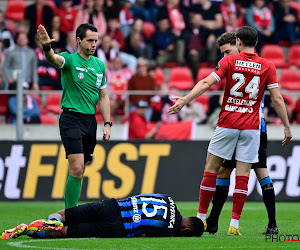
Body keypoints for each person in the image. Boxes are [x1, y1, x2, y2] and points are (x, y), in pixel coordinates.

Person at [168, 26, 292, 236]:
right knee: (243, 175)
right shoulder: (268, 65)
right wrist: (287, 126)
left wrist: (185, 100)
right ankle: (234, 224)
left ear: (239, 42)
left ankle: (201, 218)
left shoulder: (229, 61)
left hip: (227, 123)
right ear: (257, 42)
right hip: (252, 127)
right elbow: (278, 99)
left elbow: (207, 82)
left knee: (211, 169)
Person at [205, 32, 279, 236]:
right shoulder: (261, 65)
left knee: (256, 171)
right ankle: (217, 220)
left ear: (238, 45)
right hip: (252, 126)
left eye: (227, 51)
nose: (224, 56)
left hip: (251, 126)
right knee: (231, 172)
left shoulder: (238, 64)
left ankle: (268, 222)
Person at [36, 23, 112, 209]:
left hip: (90, 121)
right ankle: (70, 215)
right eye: (90, 40)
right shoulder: (69, 60)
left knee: (80, 170)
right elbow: (53, 59)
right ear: (79, 40)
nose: (94, 44)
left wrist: (108, 123)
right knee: (76, 168)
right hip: (71, 118)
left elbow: (103, 96)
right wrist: (47, 46)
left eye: (96, 40)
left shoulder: (99, 65)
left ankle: (71, 211)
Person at [1, 193, 204, 239]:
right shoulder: (168, 231)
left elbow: (144, 195)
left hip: (113, 205)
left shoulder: (168, 198)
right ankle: (30, 231)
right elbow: (142, 235)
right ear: (185, 230)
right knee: (67, 233)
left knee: (68, 214)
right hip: (117, 227)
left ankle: (51, 220)